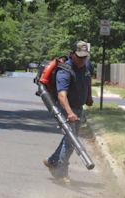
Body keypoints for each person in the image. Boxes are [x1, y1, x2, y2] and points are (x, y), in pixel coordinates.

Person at [43, 41, 94, 184]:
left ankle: (53, 160)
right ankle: (60, 172)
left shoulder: (87, 65)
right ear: (72, 54)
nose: (82, 60)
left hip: (78, 107)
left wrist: (88, 96)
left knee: (70, 138)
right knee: (71, 140)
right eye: (79, 57)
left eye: (85, 57)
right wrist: (70, 113)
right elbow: (61, 95)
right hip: (65, 107)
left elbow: (88, 80)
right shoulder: (65, 71)